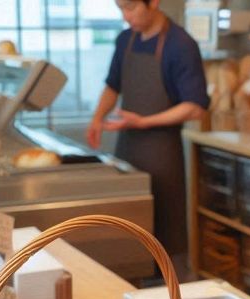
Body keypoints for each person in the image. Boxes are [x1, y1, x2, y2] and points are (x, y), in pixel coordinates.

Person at [86, 0, 209, 259]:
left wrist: (144, 122)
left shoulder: (181, 45)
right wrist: (97, 118)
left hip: (162, 154)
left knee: (163, 235)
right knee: (128, 231)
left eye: (130, 8)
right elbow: (112, 85)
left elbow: (195, 107)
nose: (125, 16)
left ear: (153, 3)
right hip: (126, 148)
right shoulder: (125, 40)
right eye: (120, 9)